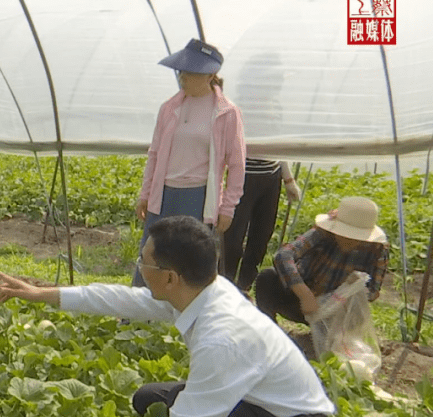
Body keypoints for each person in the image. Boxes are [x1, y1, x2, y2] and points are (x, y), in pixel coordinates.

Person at [0, 216, 334, 417]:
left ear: (170, 278)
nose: (139, 267)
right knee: (149, 399)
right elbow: (126, 300)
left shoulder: (222, 338)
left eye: (144, 262)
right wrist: (41, 294)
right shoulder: (205, 289)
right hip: (261, 406)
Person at [133, 39, 246, 286]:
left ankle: (182, 316)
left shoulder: (226, 113)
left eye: (190, 72)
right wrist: (145, 193)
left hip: (197, 198)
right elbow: (154, 154)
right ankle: (137, 316)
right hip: (163, 196)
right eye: (182, 71)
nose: (183, 77)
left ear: (209, 75)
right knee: (151, 255)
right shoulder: (169, 108)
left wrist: (228, 207)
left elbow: (236, 165)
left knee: (187, 261)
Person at [222, 52, 301, 292]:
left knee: (261, 235)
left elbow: (279, 144)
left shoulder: (277, 106)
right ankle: (224, 283)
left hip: (271, 178)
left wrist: (288, 179)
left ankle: (245, 284)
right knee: (234, 235)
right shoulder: (238, 109)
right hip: (243, 177)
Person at [255, 196, 389, 324]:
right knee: (267, 277)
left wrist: (352, 289)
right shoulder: (323, 232)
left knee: (357, 312)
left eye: (355, 237)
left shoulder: (377, 249)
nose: (349, 240)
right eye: (345, 234)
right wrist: (304, 294)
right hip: (301, 299)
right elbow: (283, 256)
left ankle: (332, 341)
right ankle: (268, 327)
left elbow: (373, 292)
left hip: (336, 311)